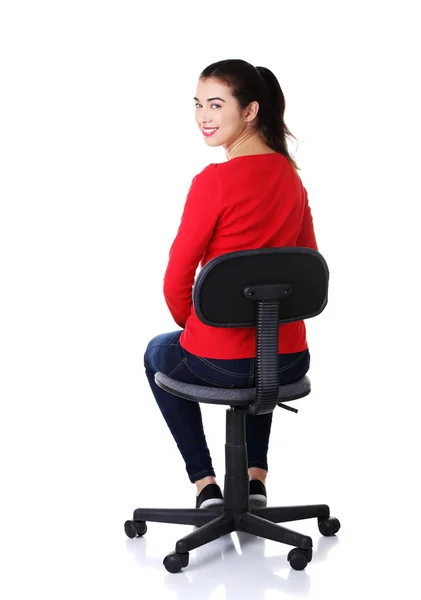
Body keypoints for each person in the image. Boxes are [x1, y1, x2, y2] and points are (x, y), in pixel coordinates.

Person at [144, 59, 318, 510]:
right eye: (198, 104)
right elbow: (307, 271)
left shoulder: (214, 182)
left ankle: (205, 486)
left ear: (250, 111)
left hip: (220, 361)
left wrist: (199, 331)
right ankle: (255, 479)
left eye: (216, 104)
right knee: (265, 343)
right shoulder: (290, 178)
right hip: (289, 361)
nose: (204, 115)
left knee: (156, 352)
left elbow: (176, 275)